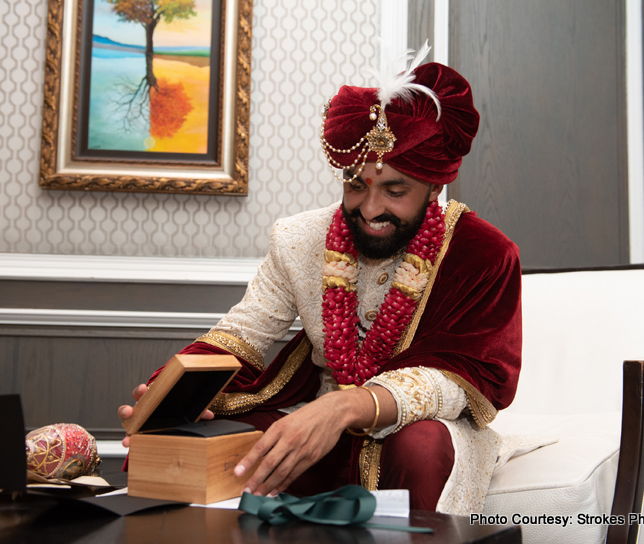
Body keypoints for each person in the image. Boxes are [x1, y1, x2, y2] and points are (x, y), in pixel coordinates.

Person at [118, 45, 521, 515]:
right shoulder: (298, 238)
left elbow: (466, 378)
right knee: (196, 440)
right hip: (312, 412)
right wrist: (171, 394)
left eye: (395, 190)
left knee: (420, 445)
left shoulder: (484, 253)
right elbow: (243, 332)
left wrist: (350, 407)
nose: (370, 210)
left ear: (434, 187)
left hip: (422, 424)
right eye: (356, 185)